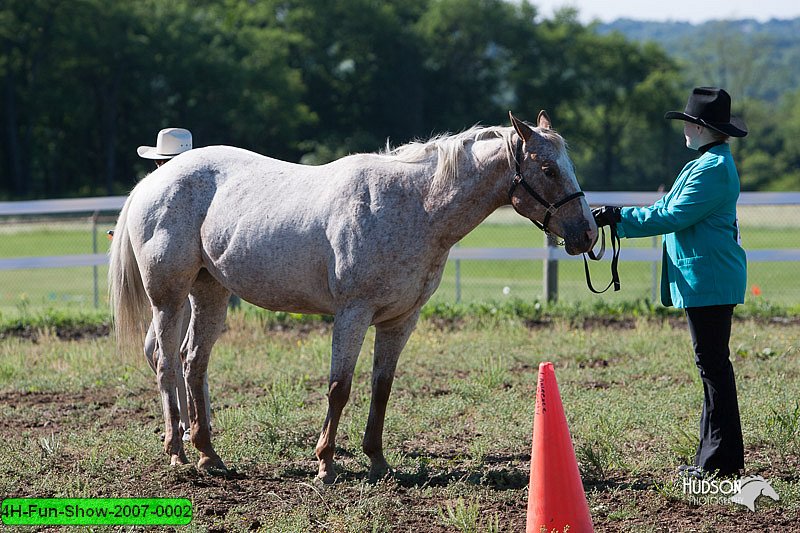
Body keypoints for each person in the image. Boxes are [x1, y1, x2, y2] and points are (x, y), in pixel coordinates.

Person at [593, 87, 747, 478]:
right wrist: (618, 216)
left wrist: (618, 217)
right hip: (707, 279)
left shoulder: (711, 168)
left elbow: (673, 216)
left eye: (688, 123)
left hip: (708, 279)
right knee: (711, 367)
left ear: (701, 127)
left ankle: (719, 465)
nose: (684, 128)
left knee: (713, 368)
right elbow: (664, 208)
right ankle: (712, 459)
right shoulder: (707, 162)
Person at [137, 128, 210, 442]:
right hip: (181, 283)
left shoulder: (192, 190)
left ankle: (193, 419)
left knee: (181, 351)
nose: (160, 169)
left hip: (195, 284)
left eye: (164, 162)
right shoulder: (160, 193)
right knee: (157, 350)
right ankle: (185, 416)